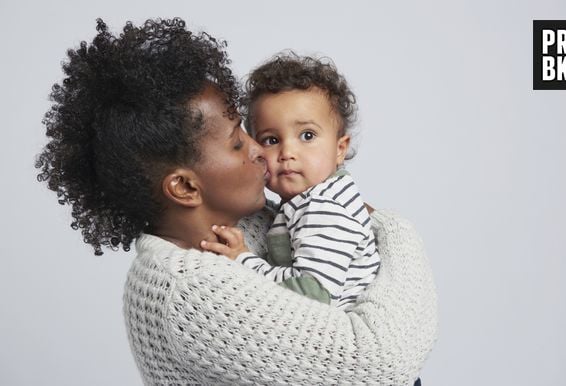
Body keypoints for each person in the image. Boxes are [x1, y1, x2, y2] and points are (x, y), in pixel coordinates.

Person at [36, 18, 437, 385]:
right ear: (185, 188)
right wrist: (395, 231)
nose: (262, 152)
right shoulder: (190, 292)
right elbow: (382, 363)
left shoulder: (245, 219)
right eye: (237, 142)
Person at [201, 54, 380, 311]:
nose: (287, 153)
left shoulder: (323, 209)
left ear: (340, 149)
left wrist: (244, 260)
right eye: (271, 140)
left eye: (307, 135)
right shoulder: (303, 203)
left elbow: (312, 294)